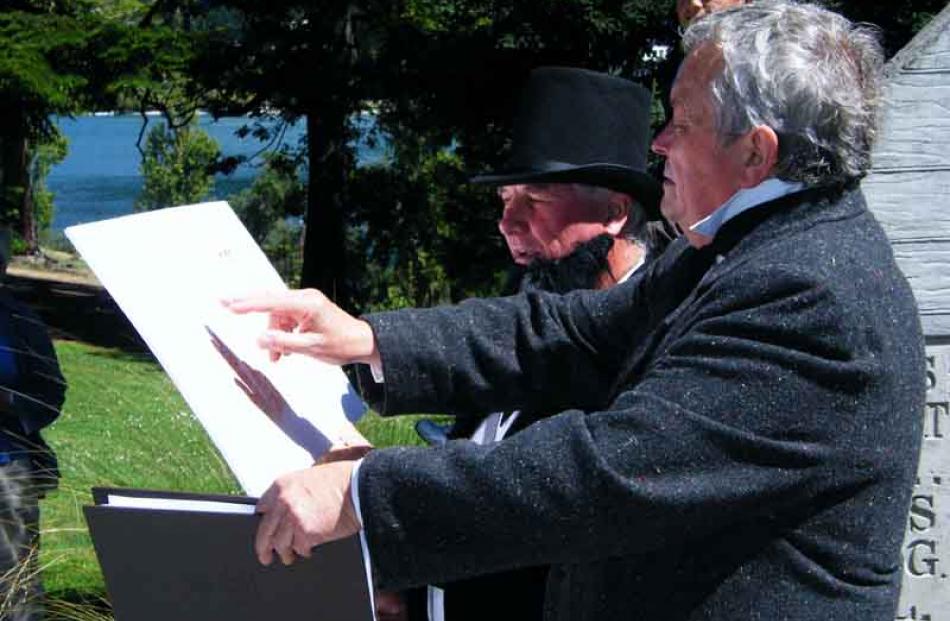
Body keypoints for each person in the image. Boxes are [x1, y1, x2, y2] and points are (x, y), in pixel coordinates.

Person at [227, 2, 925, 619]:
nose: (659, 145)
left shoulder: (811, 295)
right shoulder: (747, 246)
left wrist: (360, 495)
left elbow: (610, 475)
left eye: (682, 122)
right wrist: (367, 337)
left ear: (755, 150)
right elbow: (573, 332)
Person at [407, 67, 668, 621]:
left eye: (535, 198)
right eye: (505, 200)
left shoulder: (655, 351)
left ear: (614, 211)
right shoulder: (525, 320)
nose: (508, 223)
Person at [0, 263, 66, 620]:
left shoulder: (18, 321)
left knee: (16, 588)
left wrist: (9, 402)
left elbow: (50, 393)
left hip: (6, 469)